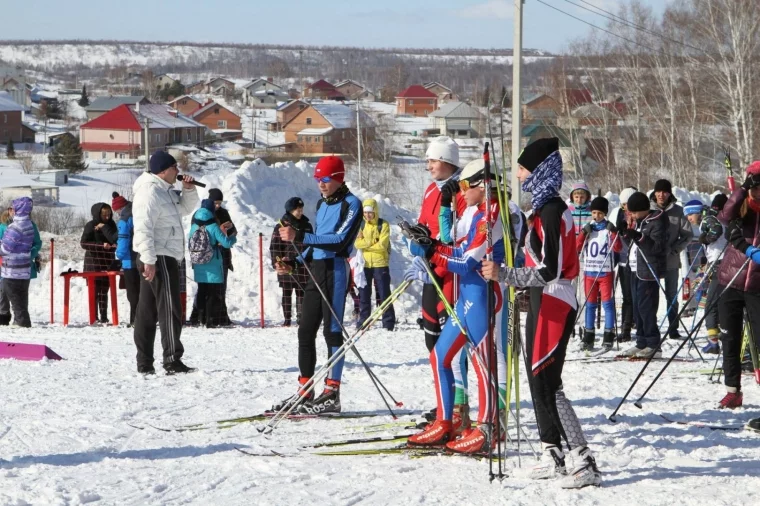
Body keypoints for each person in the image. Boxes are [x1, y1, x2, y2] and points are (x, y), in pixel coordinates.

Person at [481, 137, 601, 488]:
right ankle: (553, 452)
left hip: (554, 299)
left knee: (550, 383)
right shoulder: (541, 208)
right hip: (539, 299)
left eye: (522, 169)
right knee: (538, 380)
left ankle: (583, 459)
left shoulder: (551, 211)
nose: (518, 176)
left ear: (539, 171)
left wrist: (505, 275)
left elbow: (551, 269)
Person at [406, 158, 505, 453]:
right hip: (467, 297)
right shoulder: (476, 213)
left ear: (481, 186)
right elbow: (457, 247)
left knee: (482, 363)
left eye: (464, 186)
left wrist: (434, 251)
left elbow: (465, 262)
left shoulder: (494, 215)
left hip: (484, 296)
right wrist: (427, 244)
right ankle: (444, 421)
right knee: (439, 356)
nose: (460, 192)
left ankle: (488, 427)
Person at [273, 156, 363, 414]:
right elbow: (316, 242)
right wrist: (295, 262)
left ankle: (332, 392)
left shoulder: (351, 203)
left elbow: (339, 240)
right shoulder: (323, 204)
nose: (321, 184)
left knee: (332, 332)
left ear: (339, 178)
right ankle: (305, 388)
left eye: (325, 179)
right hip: (317, 269)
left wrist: (299, 235)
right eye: (318, 179)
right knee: (305, 330)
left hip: (335, 268)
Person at [404, 136, 468, 421]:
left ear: (448, 161)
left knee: (450, 343)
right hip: (430, 271)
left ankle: (457, 404)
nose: (428, 165)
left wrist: (433, 252)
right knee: (431, 340)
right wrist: (414, 242)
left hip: (449, 273)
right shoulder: (432, 190)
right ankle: (443, 401)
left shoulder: (461, 193)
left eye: (433, 160)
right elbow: (424, 225)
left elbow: (454, 237)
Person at [132, 151, 199, 375]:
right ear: (163, 170)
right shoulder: (150, 191)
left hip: (161, 255)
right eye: (174, 168)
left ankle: (145, 363)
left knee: (148, 310)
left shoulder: (164, 191)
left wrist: (188, 191)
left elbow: (185, 210)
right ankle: (171, 359)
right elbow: (143, 227)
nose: (178, 172)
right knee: (169, 308)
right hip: (158, 256)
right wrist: (149, 260)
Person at [715, 161, 760, 409]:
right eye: (756, 187)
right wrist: (742, 189)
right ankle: (733, 391)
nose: (758, 193)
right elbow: (725, 216)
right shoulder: (741, 206)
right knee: (730, 338)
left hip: (757, 285)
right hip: (731, 279)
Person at [617, 192, 667, 359]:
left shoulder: (657, 221)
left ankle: (653, 344)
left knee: (646, 309)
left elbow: (656, 247)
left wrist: (639, 236)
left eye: (634, 211)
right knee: (637, 309)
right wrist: (626, 233)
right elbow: (632, 244)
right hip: (633, 269)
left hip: (647, 271)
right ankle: (641, 342)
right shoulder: (639, 221)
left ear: (642, 209)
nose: (631, 215)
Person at [576, 196, 621, 351]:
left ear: (605, 214)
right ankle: (589, 335)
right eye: (594, 213)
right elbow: (577, 246)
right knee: (590, 304)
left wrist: (614, 232)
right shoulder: (589, 228)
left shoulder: (608, 229)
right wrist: (583, 233)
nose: (596, 216)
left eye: (600, 213)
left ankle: (609, 334)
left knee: (608, 304)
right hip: (589, 271)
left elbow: (617, 248)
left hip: (605, 272)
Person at [651, 179, 693, 339]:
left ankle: (673, 327)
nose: (661, 195)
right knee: (651, 296)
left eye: (665, 192)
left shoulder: (677, 211)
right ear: (655, 193)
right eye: (659, 191)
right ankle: (651, 327)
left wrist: (675, 249)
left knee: (672, 296)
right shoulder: (649, 210)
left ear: (669, 193)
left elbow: (688, 235)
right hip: (653, 261)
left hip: (671, 261)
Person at [189, 199, 237, 327]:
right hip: (213, 263)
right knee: (212, 292)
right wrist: (233, 236)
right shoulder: (213, 226)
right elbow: (226, 243)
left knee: (201, 290)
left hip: (198, 263)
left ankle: (200, 318)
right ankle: (210, 321)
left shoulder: (194, 226)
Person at [270, 197, 312, 327]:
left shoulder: (307, 226)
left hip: (303, 264)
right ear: (289, 211)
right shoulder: (281, 226)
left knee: (302, 292)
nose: (300, 212)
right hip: (286, 264)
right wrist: (277, 262)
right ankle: (287, 318)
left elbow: (313, 244)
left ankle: (301, 317)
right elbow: (275, 247)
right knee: (286, 292)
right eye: (296, 210)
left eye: (301, 209)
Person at [354, 198, 395, 331]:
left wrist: (365, 243)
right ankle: (364, 320)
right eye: (365, 212)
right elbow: (356, 244)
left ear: (375, 211)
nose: (367, 215)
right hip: (365, 264)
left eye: (370, 212)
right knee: (364, 294)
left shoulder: (383, 225)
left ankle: (388, 322)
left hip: (380, 263)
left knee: (384, 293)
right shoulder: (360, 225)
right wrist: (372, 242)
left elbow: (382, 246)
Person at [0, 197, 36, 328]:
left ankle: (21, 322)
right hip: (24, 269)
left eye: (14, 208)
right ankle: (22, 320)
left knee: (15, 299)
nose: (12, 210)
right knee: (22, 298)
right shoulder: (29, 225)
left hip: (12, 270)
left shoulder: (15, 227)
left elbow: (5, 249)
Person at [80, 202, 117, 324]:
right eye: (104, 215)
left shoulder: (112, 225)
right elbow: (84, 243)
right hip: (93, 263)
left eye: (109, 215)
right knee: (94, 291)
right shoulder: (90, 225)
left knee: (104, 291)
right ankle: (94, 316)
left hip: (107, 261)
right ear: (98, 214)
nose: (107, 217)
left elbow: (116, 239)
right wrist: (101, 245)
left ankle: (104, 317)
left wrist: (112, 246)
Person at [700, 194, 728, 354]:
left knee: (711, 304)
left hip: (719, 263)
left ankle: (713, 341)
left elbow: (715, 230)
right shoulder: (731, 218)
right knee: (724, 302)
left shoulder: (711, 218)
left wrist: (706, 238)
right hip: (730, 263)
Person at [608, 187, 637, 342]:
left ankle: (637, 324)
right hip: (624, 260)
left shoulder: (639, 216)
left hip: (638, 262)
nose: (627, 207)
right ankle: (625, 329)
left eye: (629, 204)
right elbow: (614, 238)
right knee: (627, 297)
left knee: (636, 297)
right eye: (624, 204)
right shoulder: (619, 215)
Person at [112, 192, 140, 327]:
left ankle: (135, 320)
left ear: (119, 208)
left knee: (133, 293)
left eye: (116, 210)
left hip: (130, 259)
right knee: (142, 290)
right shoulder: (137, 213)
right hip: (142, 257)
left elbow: (123, 240)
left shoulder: (124, 219)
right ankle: (144, 318)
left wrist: (119, 255)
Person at [209, 188, 235, 325]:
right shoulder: (205, 214)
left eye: (220, 203)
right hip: (209, 255)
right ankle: (206, 315)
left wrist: (228, 230)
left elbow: (233, 231)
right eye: (215, 202)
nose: (218, 206)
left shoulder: (224, 213)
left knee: (221, 287)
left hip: (223, 254)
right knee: (209, 287)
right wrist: (218, 232)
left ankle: (221, 316)